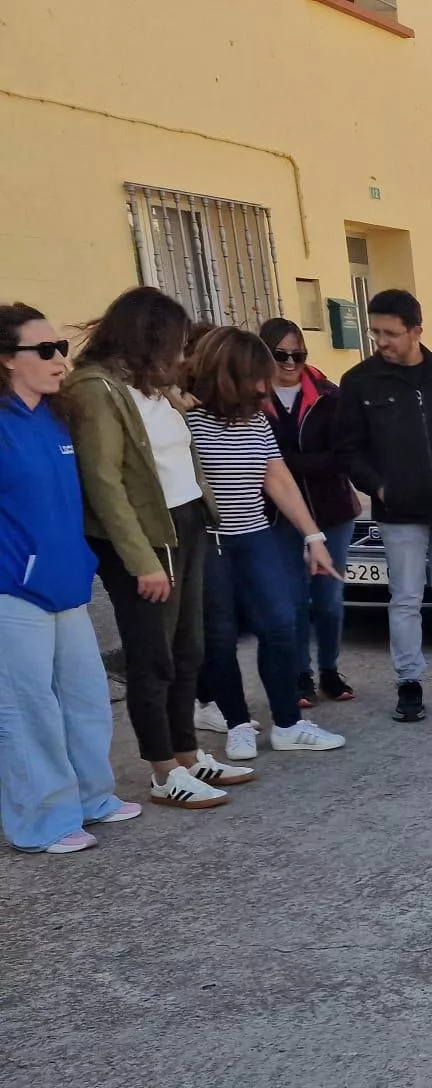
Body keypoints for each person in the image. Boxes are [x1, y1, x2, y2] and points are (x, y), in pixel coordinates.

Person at [67, 287, 239, 808]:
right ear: (149, 340)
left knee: (188, 650)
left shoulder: (148, 386)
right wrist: (141, 559)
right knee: (153, 656)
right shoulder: (97, 389)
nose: (184, 357)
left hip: (185, 523)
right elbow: (103, 483)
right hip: (145, 538)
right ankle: (162, 770)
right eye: (178, 345)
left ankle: (188, 756)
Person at [0, 303, 142, 851]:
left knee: (83, 698)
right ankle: (42, 823)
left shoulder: (54, 417)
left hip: (67, 586)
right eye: (45, 350)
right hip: (15, 593)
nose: (61, 359)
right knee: (27, 709)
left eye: (61, 347)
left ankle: (90, 797)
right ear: (7, 360)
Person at [183, 328, 345, 756]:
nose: (264, 385)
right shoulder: (187, 420)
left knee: (281, 623)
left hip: (256, 535)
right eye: (257, 376)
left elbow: (276, 476)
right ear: (229, 374)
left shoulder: (256, 419)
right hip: (209, 543)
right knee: (218, 637)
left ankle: (288, 724)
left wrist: (314, 537)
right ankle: (237, 724)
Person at [336, 289, 432, 723]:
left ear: (416, 331)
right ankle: (409, 683)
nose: (381, 341)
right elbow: (349, 449)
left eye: (390, 333)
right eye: (376, 333)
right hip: (399, 513)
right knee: (404, 599)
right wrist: (380, 489)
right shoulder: (359, 382)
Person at [259, 318, 358, 708]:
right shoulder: (251, 398)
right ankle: (301, 674)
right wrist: (286, 466)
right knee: (293, 599)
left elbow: (342, 457)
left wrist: (285, 464)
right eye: (280, 355)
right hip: (277, 516)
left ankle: (330, 669)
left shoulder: (329, 395)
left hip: (332, 511)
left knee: (328, 599)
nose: (289, 362)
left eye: (297, 354)